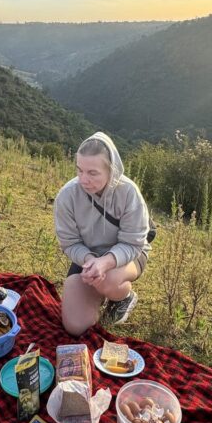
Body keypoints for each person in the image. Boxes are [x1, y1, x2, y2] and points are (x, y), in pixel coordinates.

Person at [54, 131, 150, 335]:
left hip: (128, 255)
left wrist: (105, 263)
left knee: (109, 280)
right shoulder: (67, 196)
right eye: (80, 170)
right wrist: (90, 261)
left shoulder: (128, 192)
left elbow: (133, 243)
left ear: (111, 170)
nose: (83, 179)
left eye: (93, 173)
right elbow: (69, 243)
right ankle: (98, 291)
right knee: (75, 326)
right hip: (88, 258)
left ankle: (122, 297)